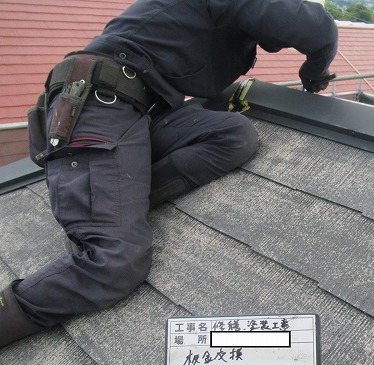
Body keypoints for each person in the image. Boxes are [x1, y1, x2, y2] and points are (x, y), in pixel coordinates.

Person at [0, 0, 338, 347]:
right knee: (115, 263)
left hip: (138, 111)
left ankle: (111, 201)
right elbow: (318, 27)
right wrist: (315, 72)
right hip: (97, 106)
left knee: (233, 135)